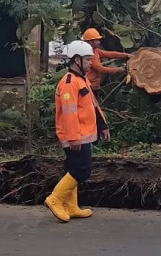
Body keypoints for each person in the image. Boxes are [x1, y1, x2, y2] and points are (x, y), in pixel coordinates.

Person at [44, 40, 110, 223]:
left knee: (74, 169)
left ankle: (72, 206)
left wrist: (102, 125)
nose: (91, 63)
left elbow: (92, 105)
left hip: (84, 134)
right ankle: (55, 199)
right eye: (88, 60)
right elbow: (69, 114)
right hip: (75, 136)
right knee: (82, 171)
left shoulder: (82, 80)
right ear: (77, 60)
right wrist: (73, 139)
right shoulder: (68, 83)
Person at [81, 28, 131, 99]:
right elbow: (101, 69)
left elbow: (110, 54)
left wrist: (126, 55)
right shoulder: (89, 55)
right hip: (89, 86)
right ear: (90, 42)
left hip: (94, 85)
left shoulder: (96, 51)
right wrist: (119, 69)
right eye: (97, 40)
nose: (99, 42)